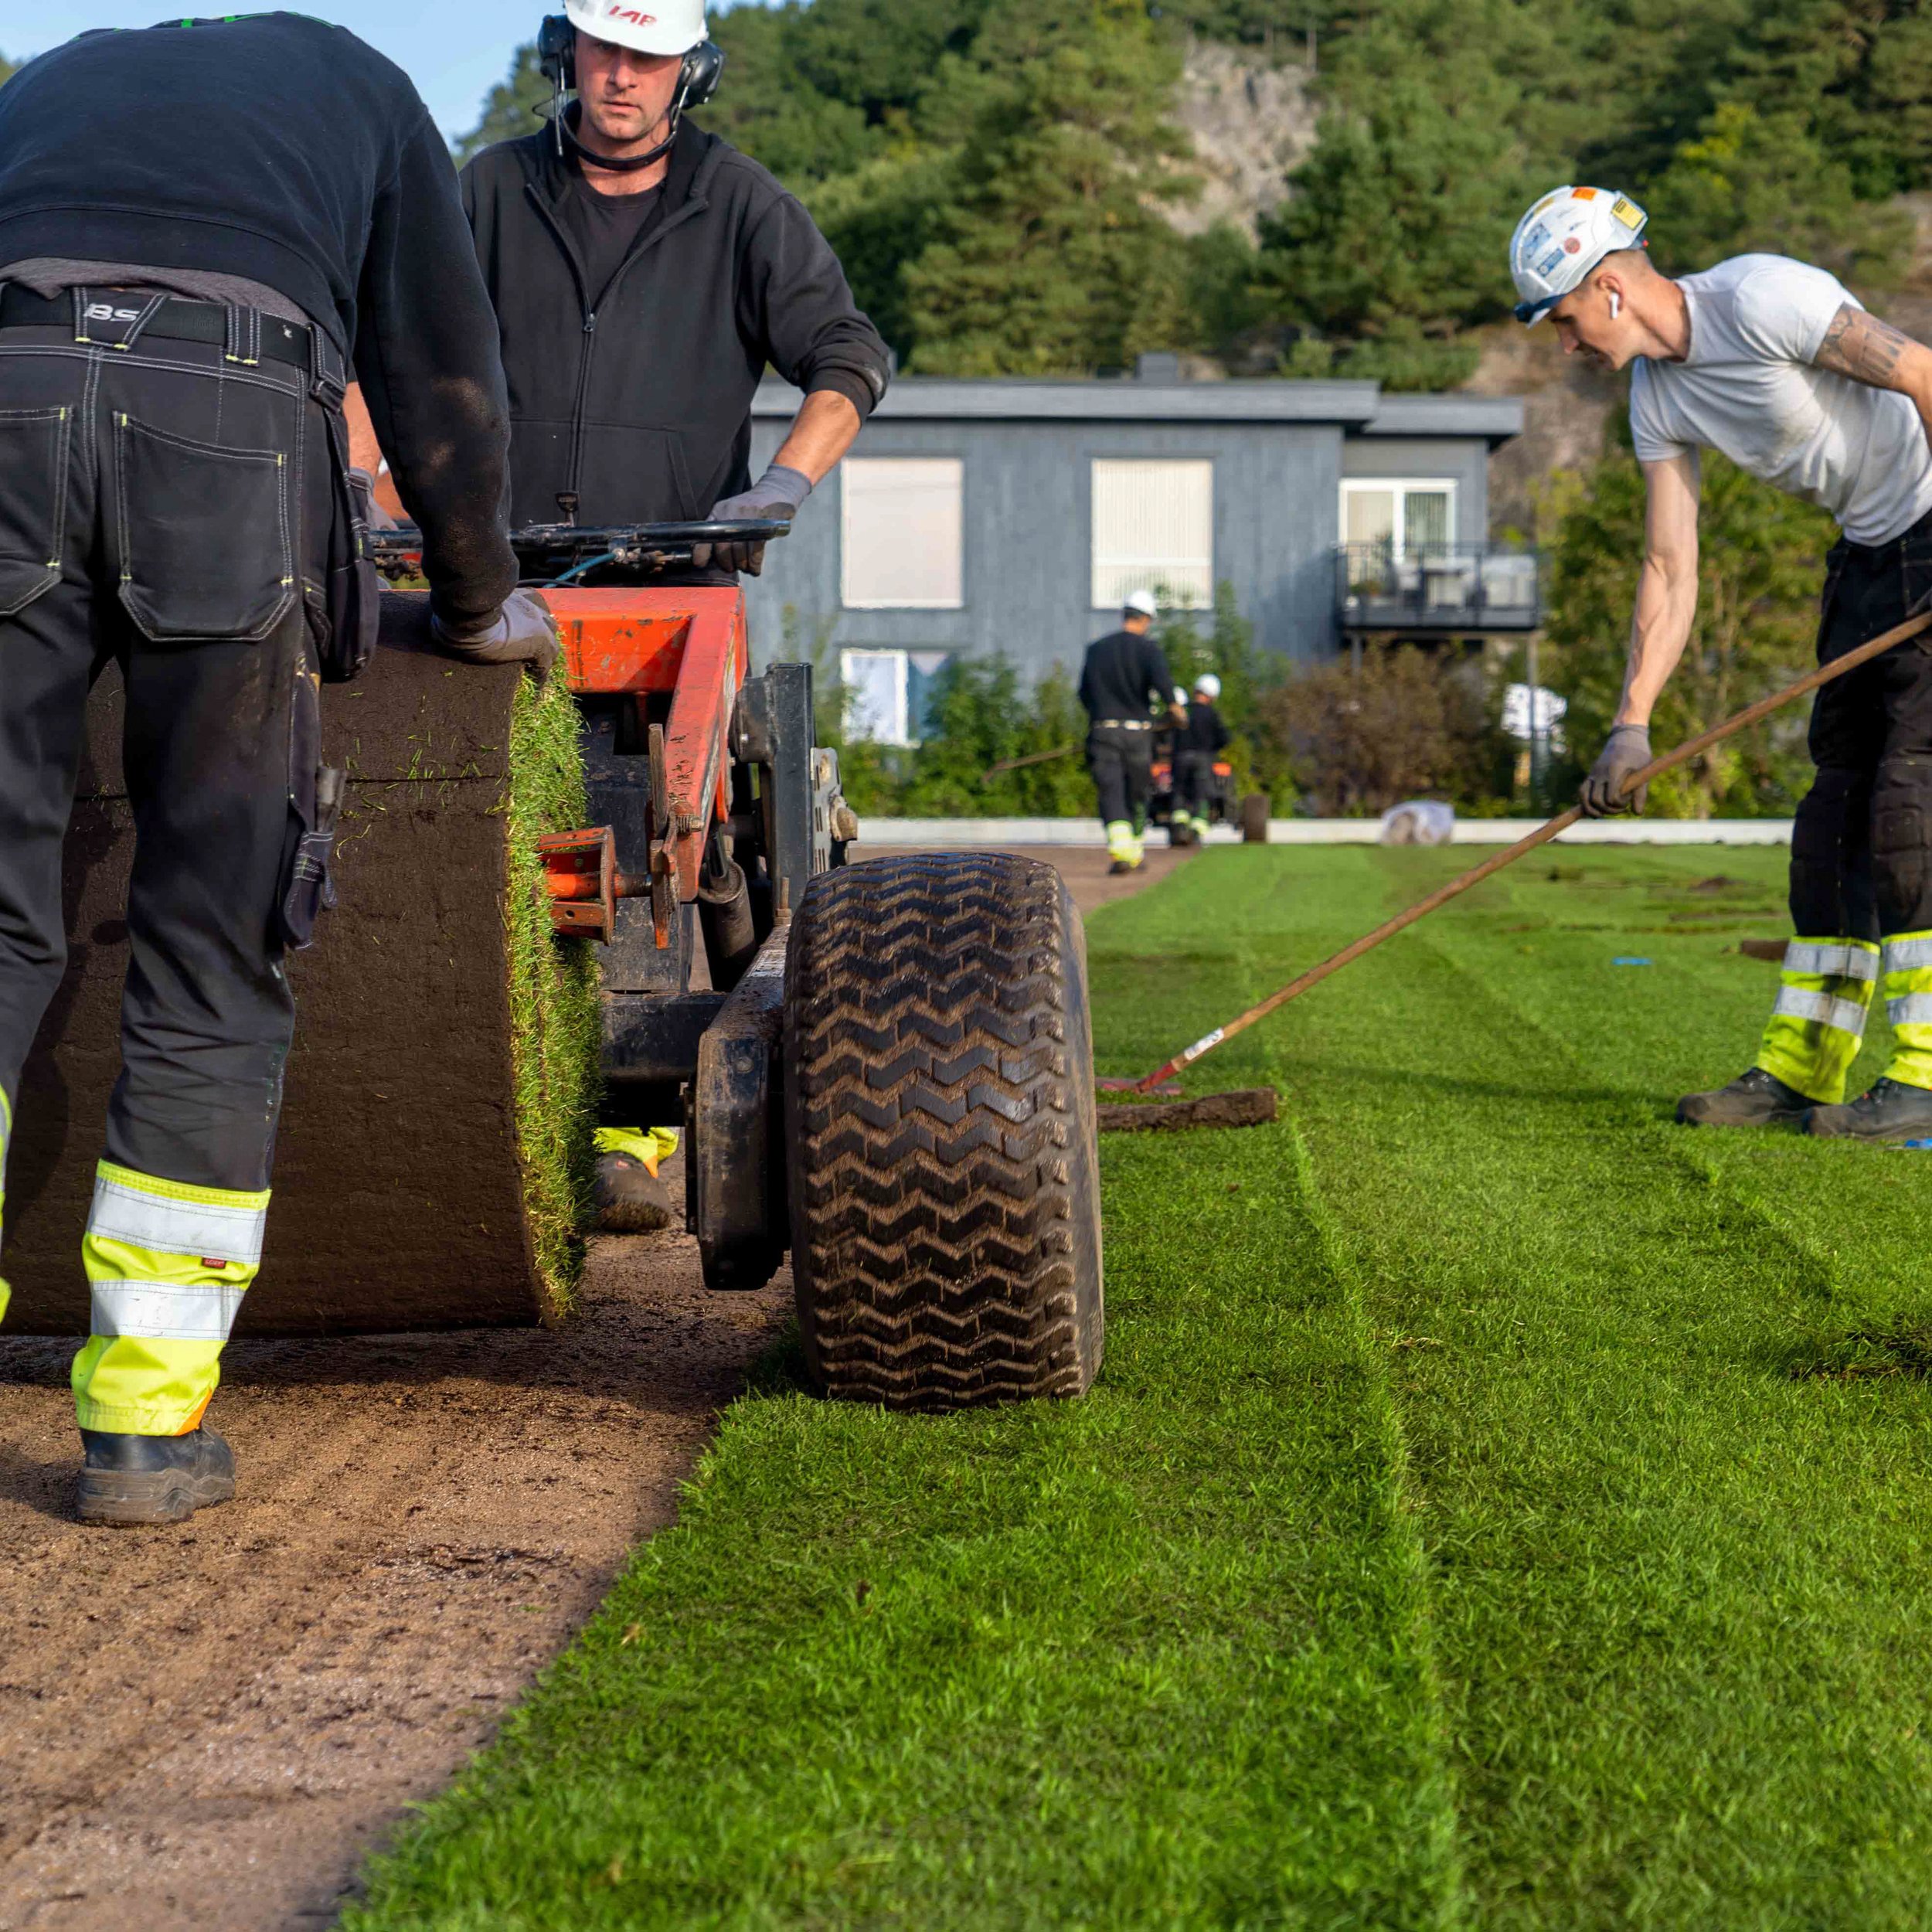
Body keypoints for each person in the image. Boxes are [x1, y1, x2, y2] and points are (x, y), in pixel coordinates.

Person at [0, 15, 553, 1526]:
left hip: (8, 393)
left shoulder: (44, 85)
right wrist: (472, 594)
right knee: (209, 938)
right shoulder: (369, 92)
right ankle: (140, 1432)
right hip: (227, 431)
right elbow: (442, 377)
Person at [1510, 184, 1932, 1141]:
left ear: (1609, 287)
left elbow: (1924, 378)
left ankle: (1925, 1077)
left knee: (1912, 803)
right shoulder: (1656, 398)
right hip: (1864, 560)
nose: (1564, 344)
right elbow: (1669, 566)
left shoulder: (1761, 299)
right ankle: (1800, 1070)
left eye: (1565, 318)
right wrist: (1631, 723)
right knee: (1829, 824)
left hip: (1930, 535)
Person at [446, 0, 891, 575]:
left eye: (649, 56)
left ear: (692, 69)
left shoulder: (744, 205)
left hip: (680, 585)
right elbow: (393, 339)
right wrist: (361, 482)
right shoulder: (490, 188)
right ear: (563, 49)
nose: (622, 76)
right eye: (604, 48)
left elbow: (850, 355)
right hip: (496, 583)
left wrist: (779, 486)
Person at [1080, 592, 1183, 874]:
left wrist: (1099, 717)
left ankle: (1123, 854)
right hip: (1138, 735)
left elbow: (1084, 694)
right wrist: (1175, 708)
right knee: (1137, 793)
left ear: (1125, 614)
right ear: (1147, 619)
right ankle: (1132, 851)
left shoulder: (1096, 650)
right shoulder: (1149, 650)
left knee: (1111, 791)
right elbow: (1163, 685)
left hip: (1103, 732)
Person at [1173, 672, 1232, 844]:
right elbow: (1224, 738)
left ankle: (1179, 827)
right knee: (1201, 794)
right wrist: (1212, 749)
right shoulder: (1211, 714)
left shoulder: (1184, 711)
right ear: (1212, 695)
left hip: (1181, 758)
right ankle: (1196, 831)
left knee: (1179, 792)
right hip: (1203, 759)